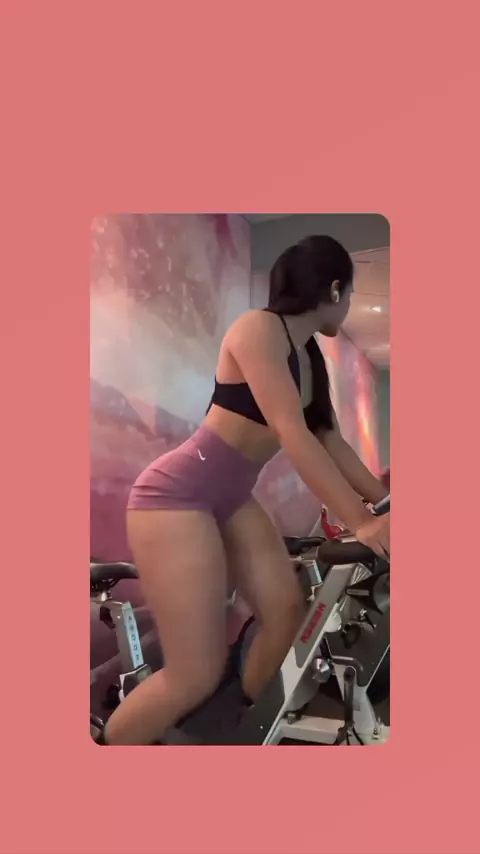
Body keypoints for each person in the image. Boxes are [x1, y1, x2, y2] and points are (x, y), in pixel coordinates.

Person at [102, 234, 390, 745]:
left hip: (233, 494)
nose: (346, 304)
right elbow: (292, 432)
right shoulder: (258, 329)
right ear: (334, 289)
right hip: (176, 496)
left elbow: (331, 440)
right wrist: (364, 522)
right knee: (194, 675)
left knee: (287, 617)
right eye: (348, 294)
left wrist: (384, 502)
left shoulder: (307, 356)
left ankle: (253, 728)